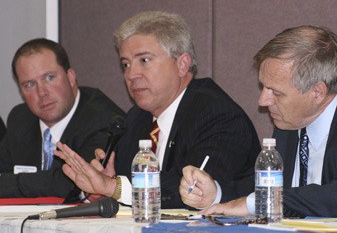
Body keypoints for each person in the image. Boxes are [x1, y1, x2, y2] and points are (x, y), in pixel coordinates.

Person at [180, 25, 337, 218]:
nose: (263, 100)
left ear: (317, 91)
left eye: (275, 92)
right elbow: (271, 185)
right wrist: (215, 193)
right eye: (263, 87)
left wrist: (257, 203)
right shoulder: (291, 121)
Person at [54, 11, 260, 208]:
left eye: (144, 60)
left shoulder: (215, 114)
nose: (131, 74)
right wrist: (102, 187)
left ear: (182, 64)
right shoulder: (136, 118)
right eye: (125, 64)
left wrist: (113, 187)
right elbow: (123, 191)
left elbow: (192, 190)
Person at [0, 38, 125, 202]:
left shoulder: (103, 118)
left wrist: (14, 183)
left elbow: (70, 182)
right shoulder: (20, 118)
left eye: (49, 78)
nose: (42, 92)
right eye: (30, 84)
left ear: (71, 77)